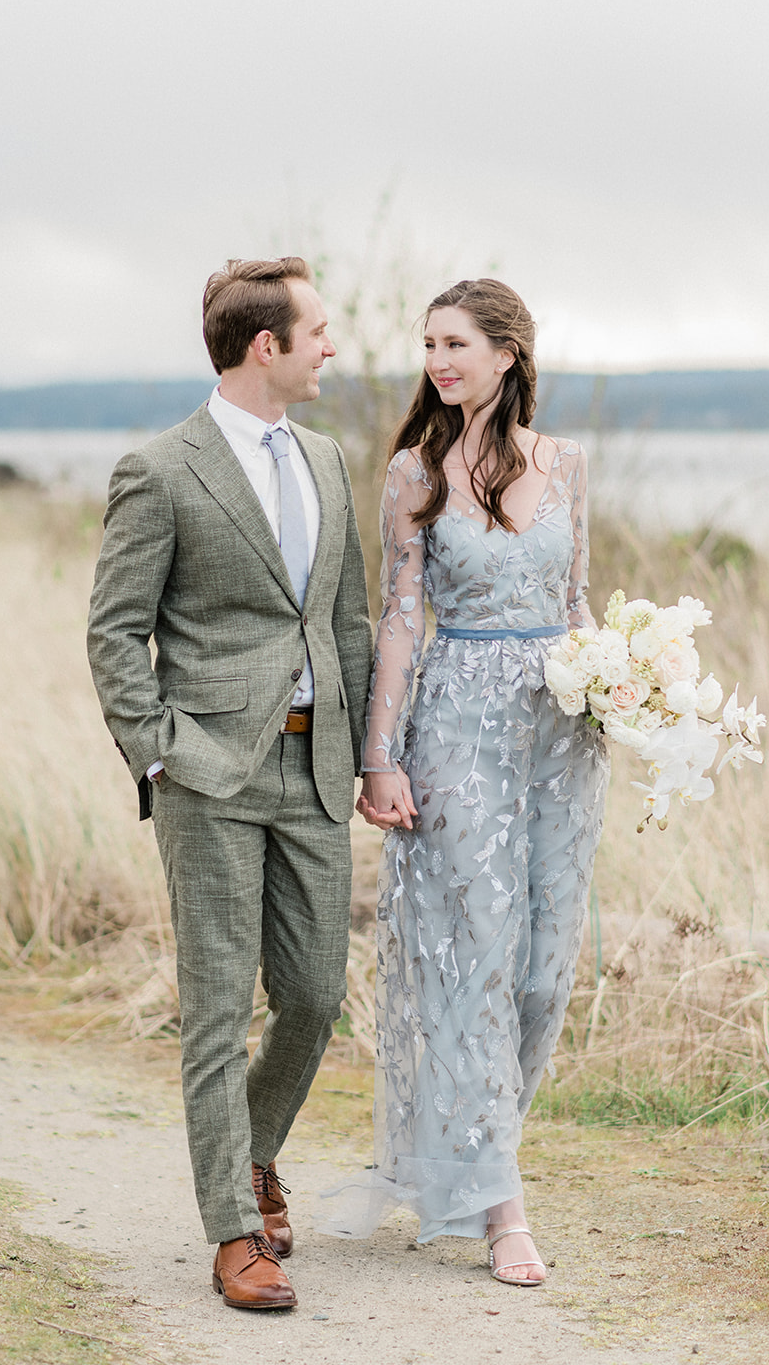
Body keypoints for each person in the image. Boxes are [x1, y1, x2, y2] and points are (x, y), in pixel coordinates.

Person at [87, 257, 372, 1311]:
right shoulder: (160, 469)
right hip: (207, 770)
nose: (331, 347)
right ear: (269, 346)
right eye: (319, 330)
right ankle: (233, 1230)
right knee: (215, 1010)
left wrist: (366, 755)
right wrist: (159, 750)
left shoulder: (330, 461)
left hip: (315, 767)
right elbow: (115, 632)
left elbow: (343, 621)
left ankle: (251, 1153)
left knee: (312, 997)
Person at [323, 277, 609, 1286]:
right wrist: (379, 753)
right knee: (475, 959)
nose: (438, 361)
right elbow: (399, 617)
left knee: (539, 970)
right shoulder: (412, 471)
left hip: (560, 735)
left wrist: (630, 692)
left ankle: (478, 1154)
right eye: (429, 344)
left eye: (455, 343)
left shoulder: (567, 466)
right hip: (453, 728)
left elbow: (574, 600)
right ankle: (502, 1208)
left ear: (505, 353)